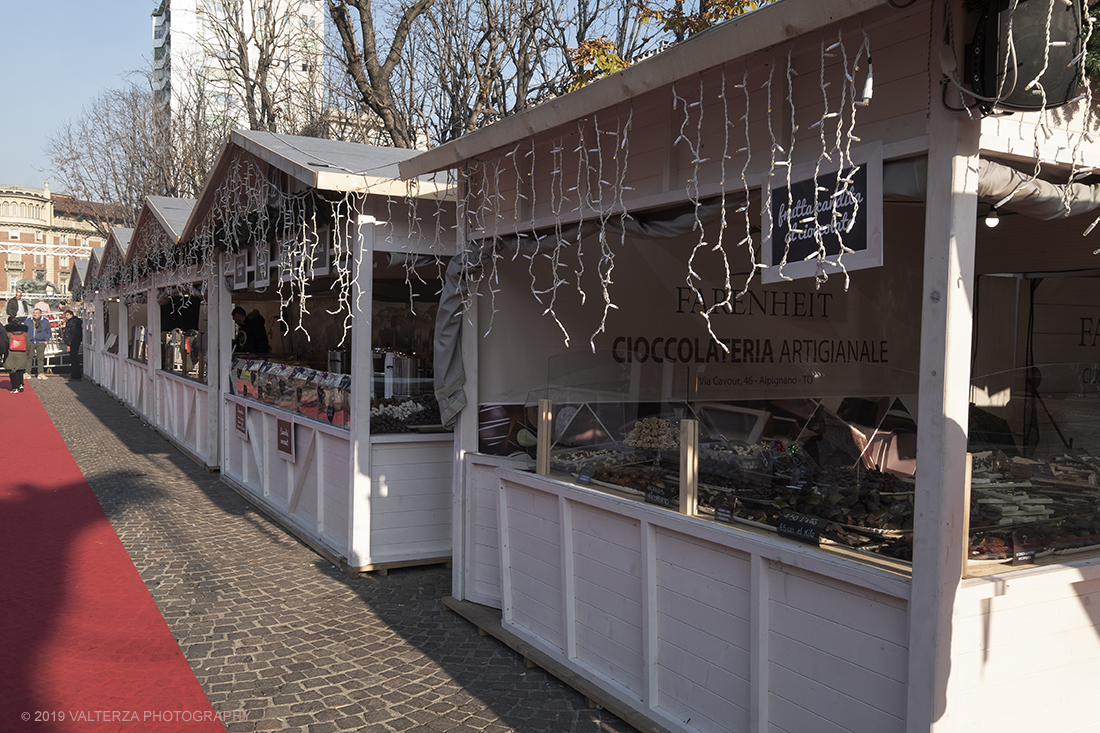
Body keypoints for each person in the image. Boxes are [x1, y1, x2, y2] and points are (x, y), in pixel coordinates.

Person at [24, 307, 52, 379]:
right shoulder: (28, 321)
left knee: (40, 358)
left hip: (41, 341)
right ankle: (27, 372)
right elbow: (24, 331)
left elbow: (48, 331)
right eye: (34, 313)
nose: (34, 314)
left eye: (36, 313)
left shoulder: (45, 321)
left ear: (40, 314)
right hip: (30, 341)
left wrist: (46, 340)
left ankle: (40, 373)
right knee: (28, 357)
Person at [5, 315, 29, 393]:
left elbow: (5, 343)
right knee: (20, 370)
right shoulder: (24, 333)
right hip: (22, 353)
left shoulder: (8, 333)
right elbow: (28, 344)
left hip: (11, 353)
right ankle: (21, 384)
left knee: (12, 370)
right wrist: (27, 353)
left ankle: (15, 387)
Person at [62, 309, 83, 380]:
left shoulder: (72, 322)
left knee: (73, 358)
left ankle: (75, 375)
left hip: (73, 342)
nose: (66, 317)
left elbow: (72, 334)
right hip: (76, 341)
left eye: (67, 315)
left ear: (71, 315)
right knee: (74, 358)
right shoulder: (75, 321)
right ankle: (76, 374)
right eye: (65, 315)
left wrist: (69, 344)